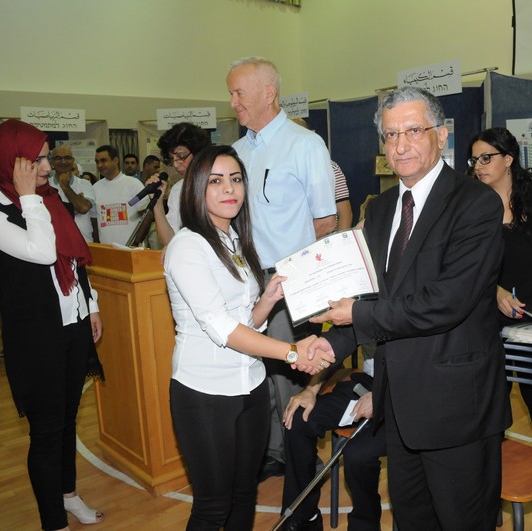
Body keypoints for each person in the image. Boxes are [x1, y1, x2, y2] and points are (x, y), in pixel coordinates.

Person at [305, 87, 510, 529]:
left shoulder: (476, 203)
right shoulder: (380, 210)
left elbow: (447, 302)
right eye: (391, 135)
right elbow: (370, 297)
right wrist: (331, 345)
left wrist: (356, 316)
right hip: (398, 405)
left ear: (441, 135)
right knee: (412, 521)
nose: (400, 145)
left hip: (457, 406)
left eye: (413, 131)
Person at [163, 144, 334, 530]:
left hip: (252, 387)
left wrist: (267, 300)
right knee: (212, 505)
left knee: (244, 493)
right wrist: (292, 352)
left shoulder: (234, 240)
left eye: (236, 179)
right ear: (195, 188)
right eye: (216, 181)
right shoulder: (187, 246)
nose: (229, 189)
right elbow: (221, 328)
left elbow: (244, 321)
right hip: (205, 393)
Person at [0, 119, 105, 531]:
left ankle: (68, 495)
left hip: (74, 322)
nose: (48, 167)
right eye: (38, 160)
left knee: (68, 420)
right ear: (11, 163)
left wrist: (91, 305)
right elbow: (44, 251)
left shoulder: (49, 198)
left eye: (46, 158)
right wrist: (30, 197)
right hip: (37, 337)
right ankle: (54, 522)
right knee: (47, 432)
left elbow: (73, 261)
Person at [227, 57, 337, 479]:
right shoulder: (236, 153)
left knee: (291, 371)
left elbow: (326, 221)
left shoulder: (305, 144)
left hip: (290, 279)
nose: (233, 103)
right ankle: (275, 451)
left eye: (239, 93)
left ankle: (300, 457)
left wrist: (302, 278)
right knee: (258, 369)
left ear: (268, 93)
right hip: (245, 278)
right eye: (231, 94)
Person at [469, 126, 532, 504]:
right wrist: (494, 291)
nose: (478, 166)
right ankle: (494, 473)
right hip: (488, 314)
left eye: (486, 158)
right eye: (474, 159)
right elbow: (467, 266)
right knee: (490, 400)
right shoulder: (472, 205)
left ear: (508, 159)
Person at [281, 347, 385, 531]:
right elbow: (336, 344)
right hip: (369, 383)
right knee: (298, 419)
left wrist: (380, 395)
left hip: (408, 390)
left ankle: (365, 525)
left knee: (357, 454)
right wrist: (311, 390)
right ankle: (304, 517)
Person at [145, 122, 212, 247]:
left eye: (181, 157)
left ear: (198, 153)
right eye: (172, 159)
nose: (176, 164)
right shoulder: (178, 189)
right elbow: (169, 241)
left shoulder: (216, 184)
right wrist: (157, 203)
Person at [92, 144, 147, 245]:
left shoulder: (133, 184)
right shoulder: (95, 188)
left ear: (115, 160)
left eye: (103, 160)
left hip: (131, 248)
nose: (99, 165)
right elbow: (94, 219)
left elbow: (147, 215)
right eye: (97, 162)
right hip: (106, 249)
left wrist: (136, 242)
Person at [50, 146, 95, 243]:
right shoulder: (46, 185)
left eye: (67, 158)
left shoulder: (85, 184)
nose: (63, 162)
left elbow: (83, 208)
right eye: (58, 158)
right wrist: (76, 201)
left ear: (73, 160)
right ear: (52, 162)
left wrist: (65, 186)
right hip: (57, 244)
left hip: (84, 243)